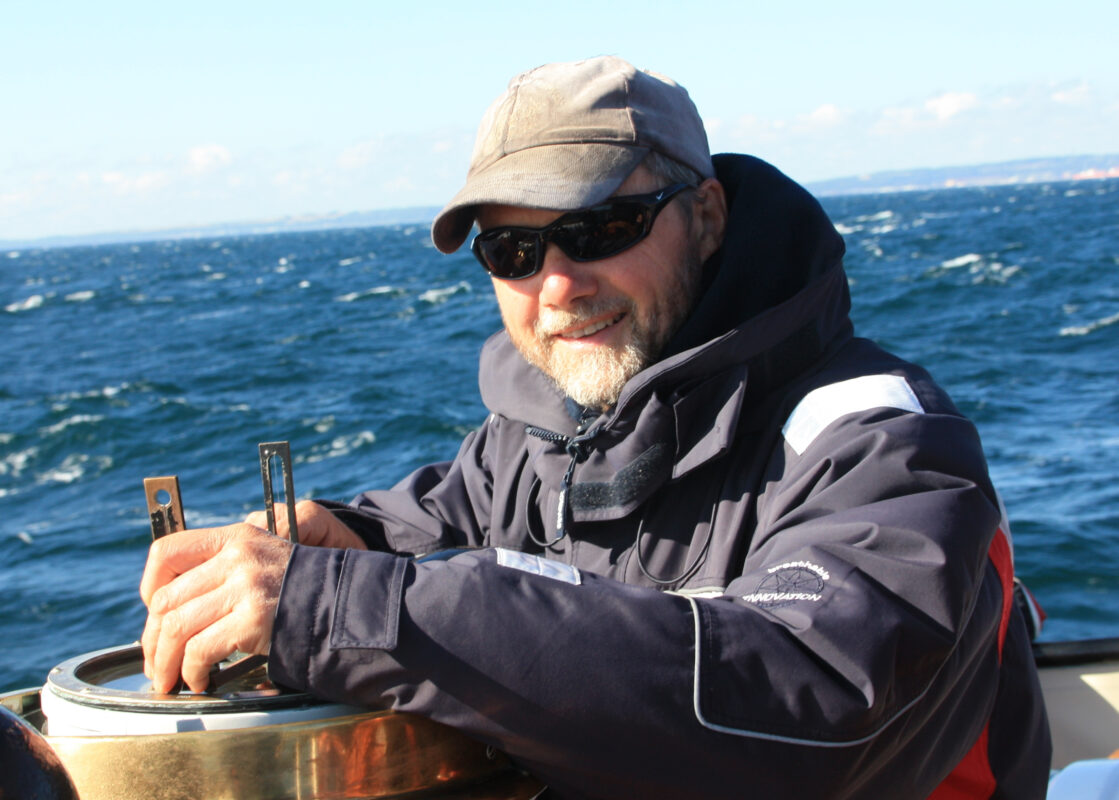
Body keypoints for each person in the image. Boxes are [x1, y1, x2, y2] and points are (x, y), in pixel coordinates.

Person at [140, 56, 1051, 798]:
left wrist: (348, 608)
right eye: (514, 251)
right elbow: (431, 529)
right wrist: (343, 544)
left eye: (602, 225)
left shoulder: (880, 439)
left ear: (705, 216)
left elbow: (812, 701)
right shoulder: (536, 440)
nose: (557, 285)